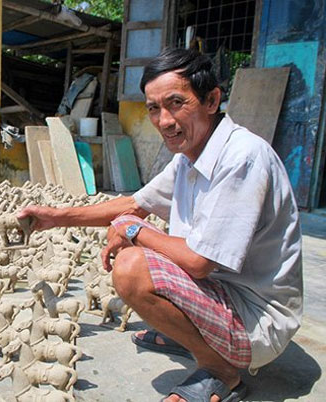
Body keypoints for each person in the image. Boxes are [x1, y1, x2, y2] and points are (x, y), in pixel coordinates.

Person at [18, 48, 302, 402]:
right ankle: (192, 332)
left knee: (133, 265)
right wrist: (54, 216)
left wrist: (135, 230)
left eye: (176, 103)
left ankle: (220, 370)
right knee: (139, 242)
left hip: (256, 319)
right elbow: (134, 203)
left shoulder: (241, 157)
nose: (164, 120)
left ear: (212, 100)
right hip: (219, 290)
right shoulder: (191, 155)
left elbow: (198, 261)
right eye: (154, 108)